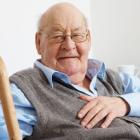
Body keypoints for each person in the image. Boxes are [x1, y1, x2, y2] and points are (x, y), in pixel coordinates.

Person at [1, 2, 140, 140]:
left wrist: (125, 103)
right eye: (57, 36)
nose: (69, 45)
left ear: (89, 39)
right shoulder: (24, 90)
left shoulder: (111, 78)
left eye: (77, 35)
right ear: (38, 42)